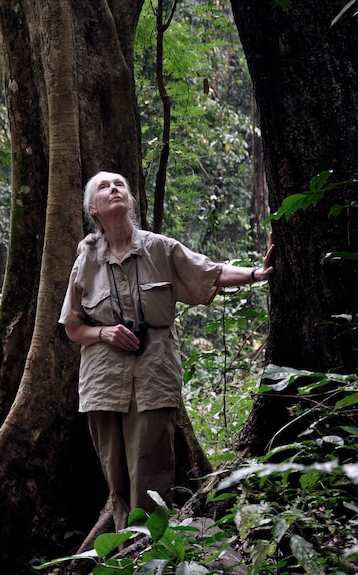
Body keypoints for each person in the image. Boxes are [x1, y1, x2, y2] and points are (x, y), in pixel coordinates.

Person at [59, 171, 274, 530]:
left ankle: (150, 547)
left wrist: (257, 273)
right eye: (104, 186)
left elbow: (211, 273)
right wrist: (104, 332)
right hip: (102, 382)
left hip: (154, 374)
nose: (114, 188)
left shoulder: (160, 248)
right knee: (116, 477)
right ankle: (124, 549)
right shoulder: (86, 260)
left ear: (129, 200)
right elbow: (72, 327)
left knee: (151, 470)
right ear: (93, 210)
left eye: (120, 185)